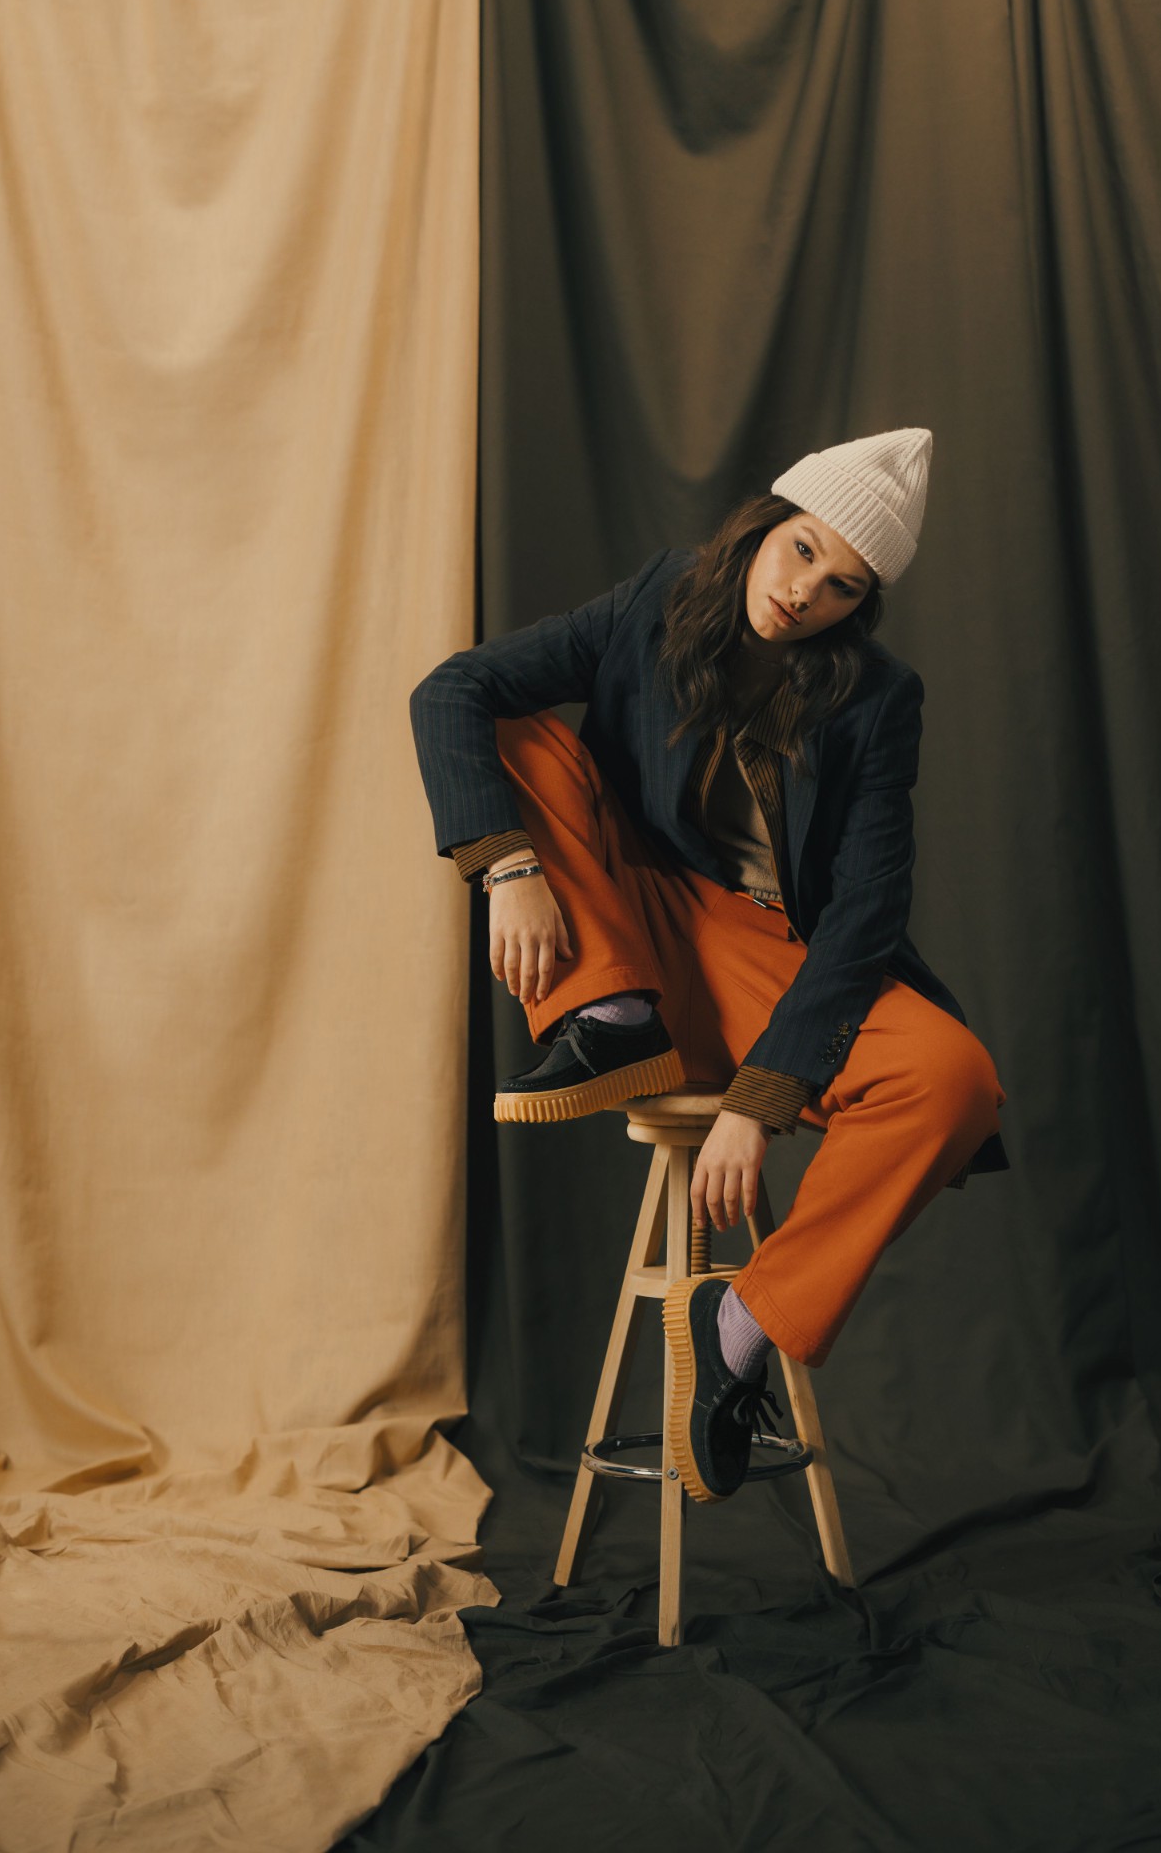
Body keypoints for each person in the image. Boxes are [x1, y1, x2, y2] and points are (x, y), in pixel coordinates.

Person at [409, 428, 1008, 1506]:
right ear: (764, 526)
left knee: (955, 1077)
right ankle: (612, 1017)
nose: (806, 591)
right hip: (628, 919)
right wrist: (509, 867)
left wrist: (760, 1098)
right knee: (512, 727)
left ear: (859, 605)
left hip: (762, 958)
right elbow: (452, 689)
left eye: (842, 585)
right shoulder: (659, 598)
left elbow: (866, 910)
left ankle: (738, 1328)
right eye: (802, 550)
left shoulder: (877, 698)